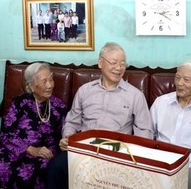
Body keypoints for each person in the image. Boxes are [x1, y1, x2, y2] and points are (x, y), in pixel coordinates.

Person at [45, 42, 153, 189]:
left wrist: (132, 155)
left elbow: (145, 131)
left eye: (122, 63)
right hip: (84, 149)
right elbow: (72, 121)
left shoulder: (135, 96)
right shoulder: (85, 91)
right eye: (114, 63)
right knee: (55, 167)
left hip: (116, 153)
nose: (119, 68)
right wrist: (67, 137)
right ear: (100, 62)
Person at [0, 62, 68, 189]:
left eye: (51, 79)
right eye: (44, 81)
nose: (50, 85)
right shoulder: (20, 103)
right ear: (31, 86)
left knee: (42, 169)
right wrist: (29, 149)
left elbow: (64, 134)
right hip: (14, 148)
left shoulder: (59, 107)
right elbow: (6, 133)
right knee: (0, 167)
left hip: (43, 152)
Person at [150, 60, 191, 189]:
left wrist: (177, 166)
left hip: (190, 160)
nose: (180, 83)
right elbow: (148, 133)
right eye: (177, 78)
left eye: (186, 79)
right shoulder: (161, 103)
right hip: (159, 154)